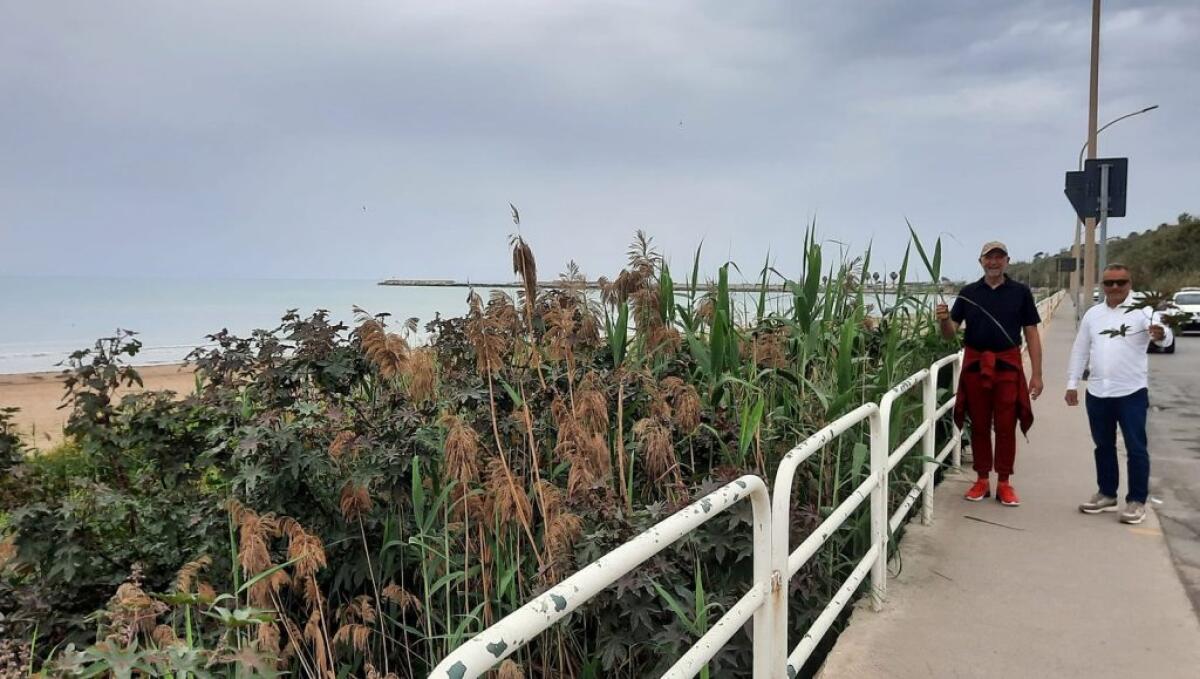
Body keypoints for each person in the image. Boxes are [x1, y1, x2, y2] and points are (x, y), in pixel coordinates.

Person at [937, 241, 1044, 506]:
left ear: (1007, 261)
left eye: (999, 257)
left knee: (1007, 425)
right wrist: (942, 320)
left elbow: (1031, 332)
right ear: (981, 261)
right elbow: (951, 333)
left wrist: (1037, 374)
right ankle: (982, 479)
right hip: (975, 365)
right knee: (980, 424)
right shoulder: (968, 292)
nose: (994, 262)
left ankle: (1005, 482)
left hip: (1008, 365)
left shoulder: (1020, 292)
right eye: (989, 258)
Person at [1065, 263, 1172, 525]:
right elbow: (1081, 350)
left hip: (1131, 392)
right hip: (1098, 391)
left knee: (1136, 448)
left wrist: (1161, 335)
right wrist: (1072, 382)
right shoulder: (1093, 314)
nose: (1114, 288)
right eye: (1109, 283)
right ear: (1102, 285)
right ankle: (1106, 494)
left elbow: (1164, 336)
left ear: (1129, 283)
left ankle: (1136, 501)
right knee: (1103, 446)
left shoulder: (1143, 312)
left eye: (1120, 282)